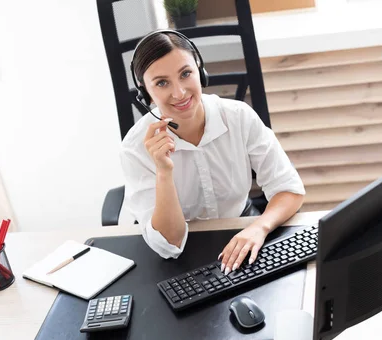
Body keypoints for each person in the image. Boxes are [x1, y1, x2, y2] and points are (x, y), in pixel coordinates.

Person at [120, 30, 306, 276]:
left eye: (185, 74)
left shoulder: (238, 116)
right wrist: (164, 172)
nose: (179, 93)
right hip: (181, 256)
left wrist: (259, 227)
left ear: (200, 72)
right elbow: (170, 243)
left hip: (242, 232)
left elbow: (289, 190)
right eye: (162, 83)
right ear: (145, 92)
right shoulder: (135, 148)